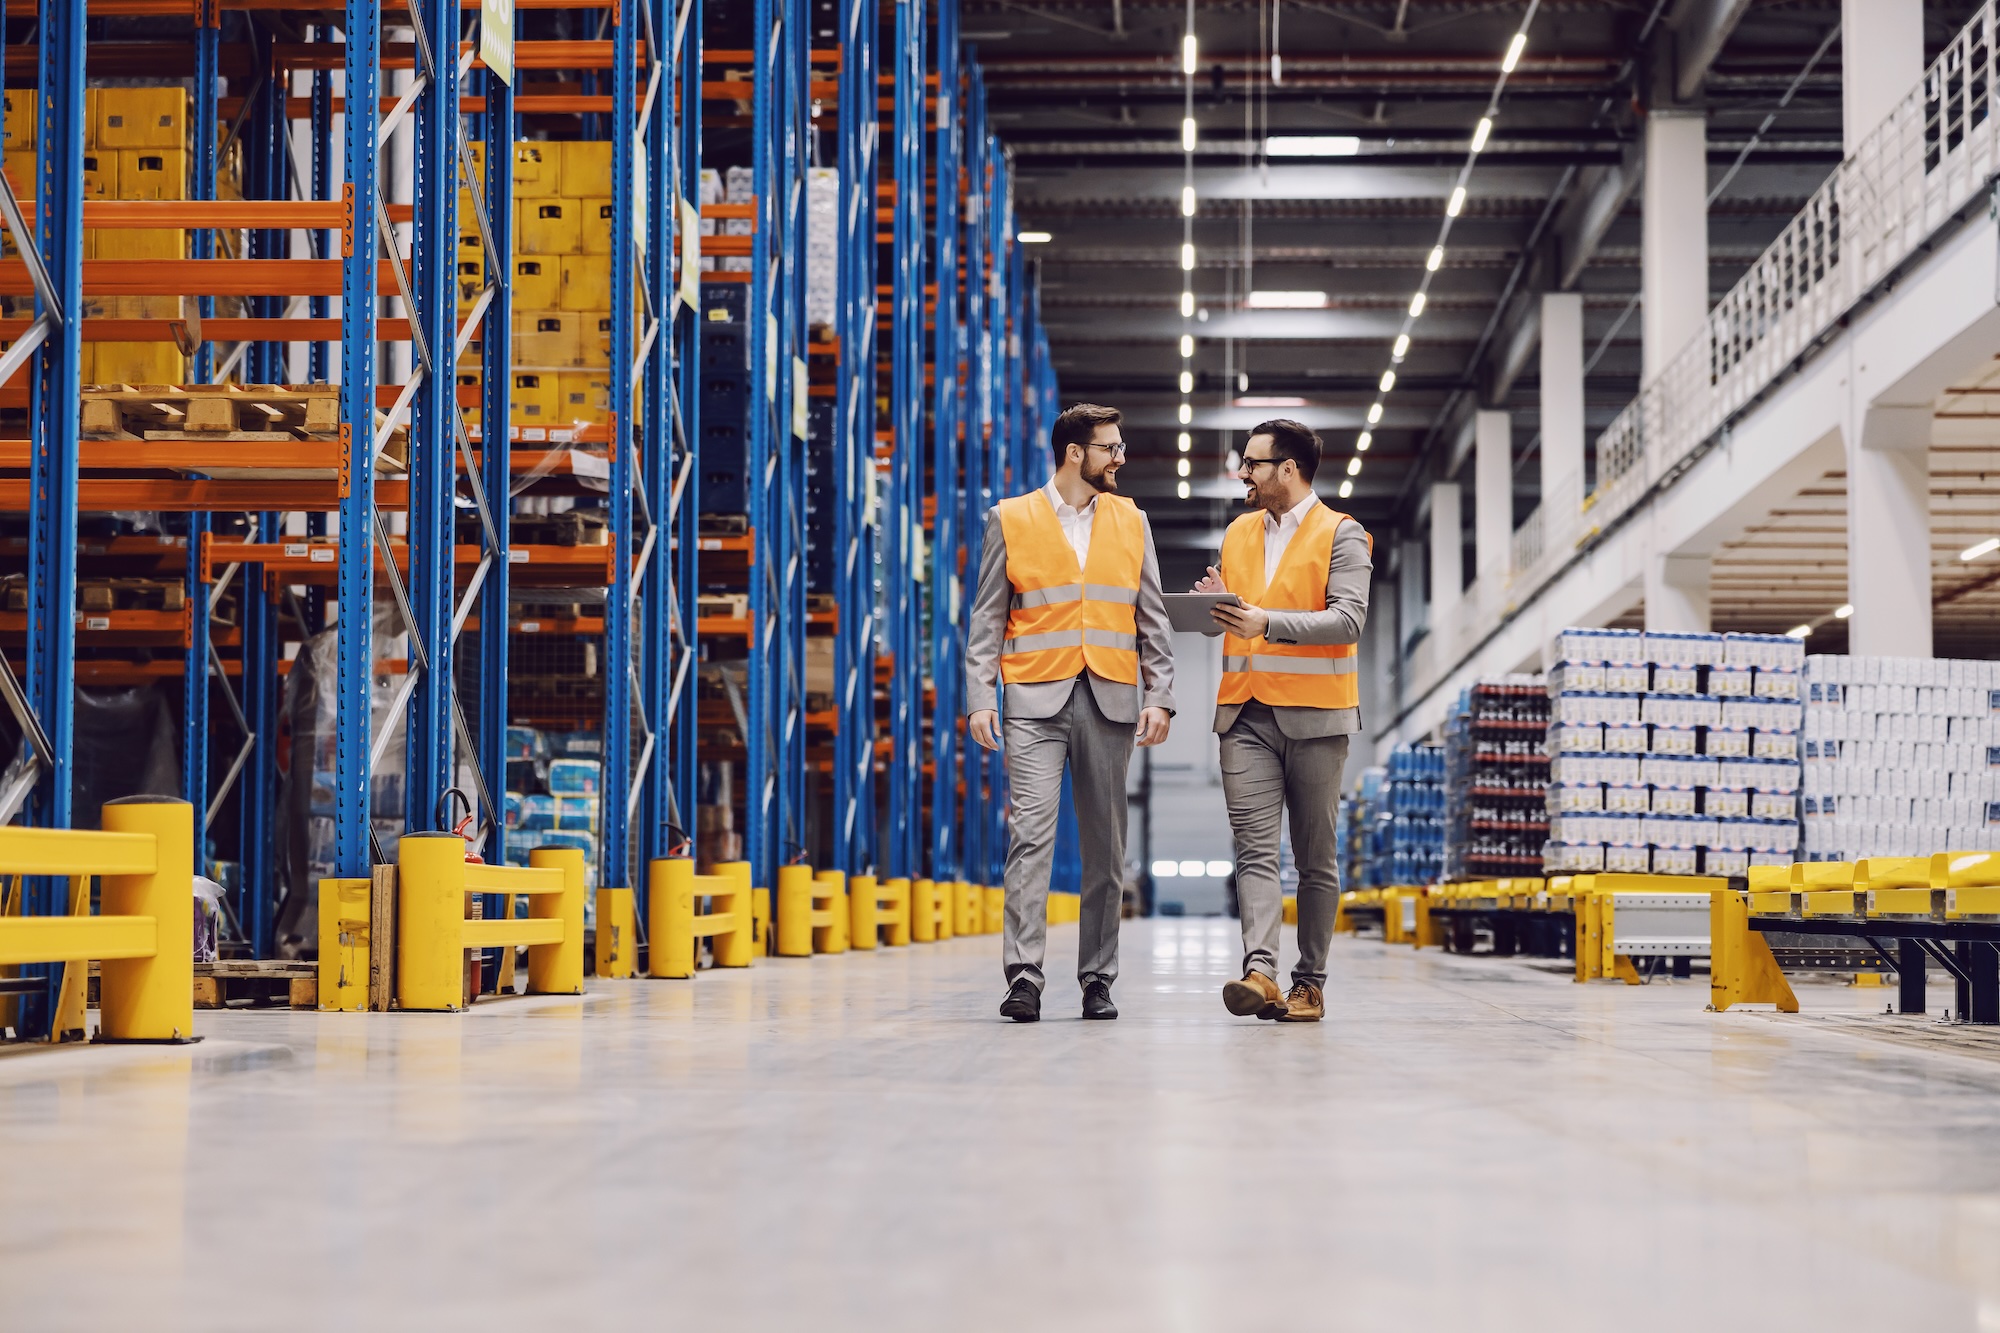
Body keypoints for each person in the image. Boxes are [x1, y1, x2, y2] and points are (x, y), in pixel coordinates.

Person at [966, 403, 1175, 1023]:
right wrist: (982, 698)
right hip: (1033, 699)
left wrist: (1160, 694)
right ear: (1075, 453)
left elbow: (1153, 618)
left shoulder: (1133, 520)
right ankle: (1024, 976)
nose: (1120, 457)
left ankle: (1097, 978)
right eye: (1110, 447)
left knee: (1106, 848)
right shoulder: (1010, 518)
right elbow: (987, 618)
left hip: (1110, 697)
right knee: (1029, 838)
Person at [1193, 419, 1370, 1022]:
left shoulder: (1342, 535)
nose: (1243, 473)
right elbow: (1242, 615)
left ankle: (1309, 983)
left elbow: (1348, 621)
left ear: (1287, 470)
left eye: (1253, 463)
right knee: (1254, 851)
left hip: (1318, 717)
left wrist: (1264, 621)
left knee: (1315, 856)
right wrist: (1216, 604)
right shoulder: (1238, 533)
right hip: (1243, 711)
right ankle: (1260, 972)